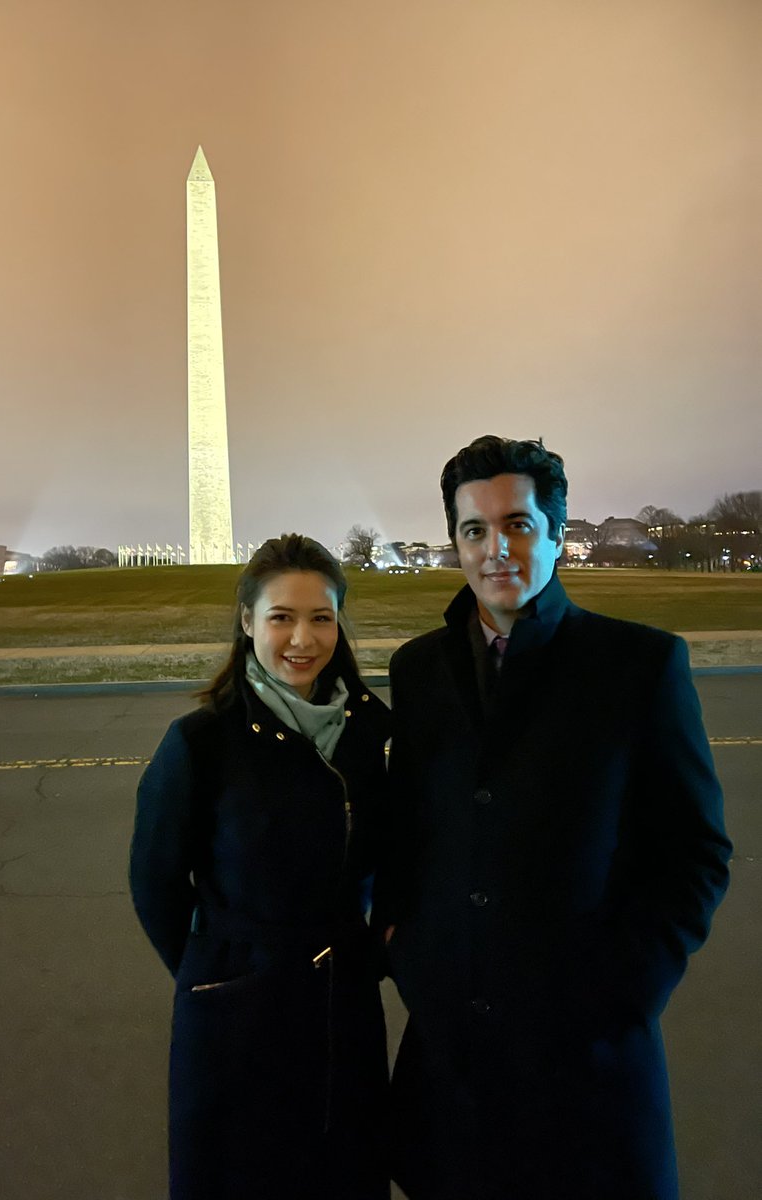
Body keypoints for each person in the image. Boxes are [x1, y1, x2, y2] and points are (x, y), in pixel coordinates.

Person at [375, 435, 731, 1200]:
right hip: (453, 1054)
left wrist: (624, 991)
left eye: (518, 524)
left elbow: (695, 853)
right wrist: (409, 952)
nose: (495, 549)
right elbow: (406, 831)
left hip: (586, 1059)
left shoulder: (639, 666)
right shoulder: (418, 669)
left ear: (558, 533)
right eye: (474, 529)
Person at [130, 533, 391, 1200]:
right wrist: (218, 970)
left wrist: (374, 947)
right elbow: (156, 883)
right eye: (282, 617)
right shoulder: (201, 742)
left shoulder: (372, 733)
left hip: (342, 1007)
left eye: (321, 617)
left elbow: (399, 855)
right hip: (237, 1013)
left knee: (341, 1174)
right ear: (248, 622)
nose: (302, 638)